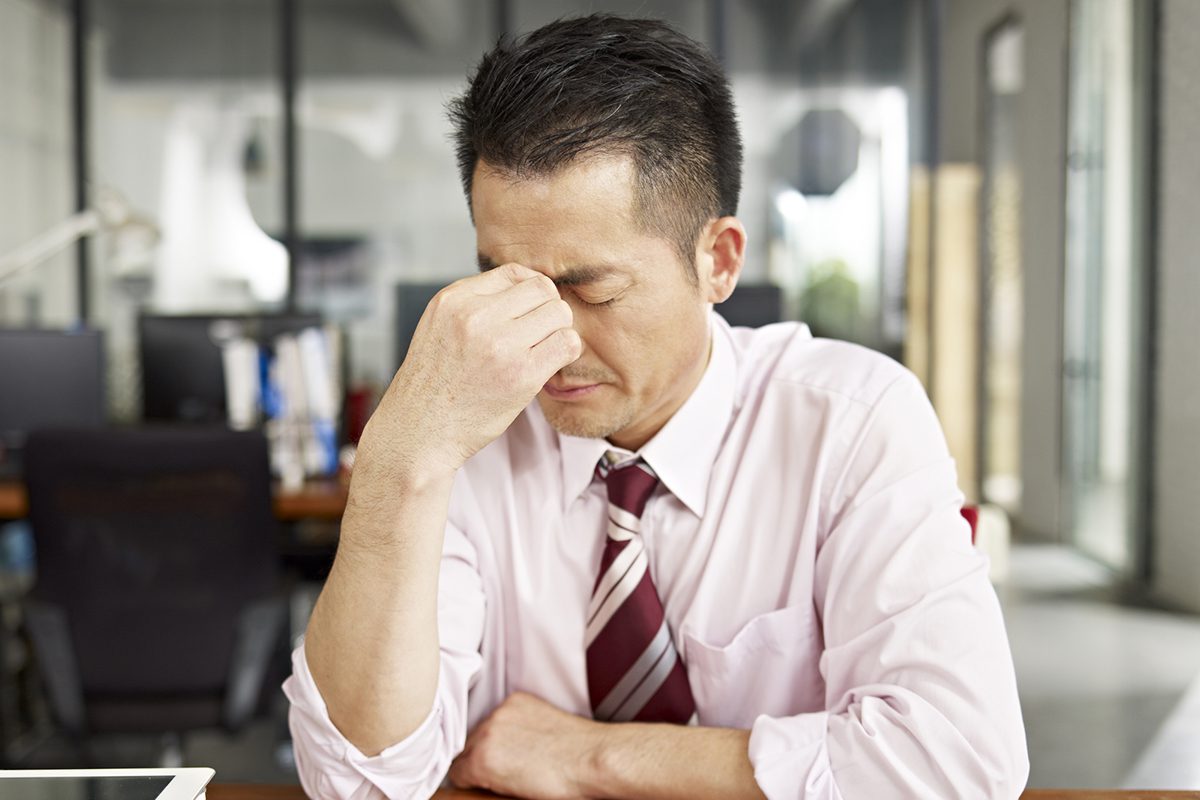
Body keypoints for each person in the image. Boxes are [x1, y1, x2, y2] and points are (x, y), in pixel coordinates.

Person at [284, 14, 1029, 799]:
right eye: (507, 285)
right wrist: (401, 462)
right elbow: (357, 784)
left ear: (718, 260)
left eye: (591, 289)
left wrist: (588, 758)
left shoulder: (849, 422)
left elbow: (958, 761)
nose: (546, 341)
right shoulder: (468, 437)